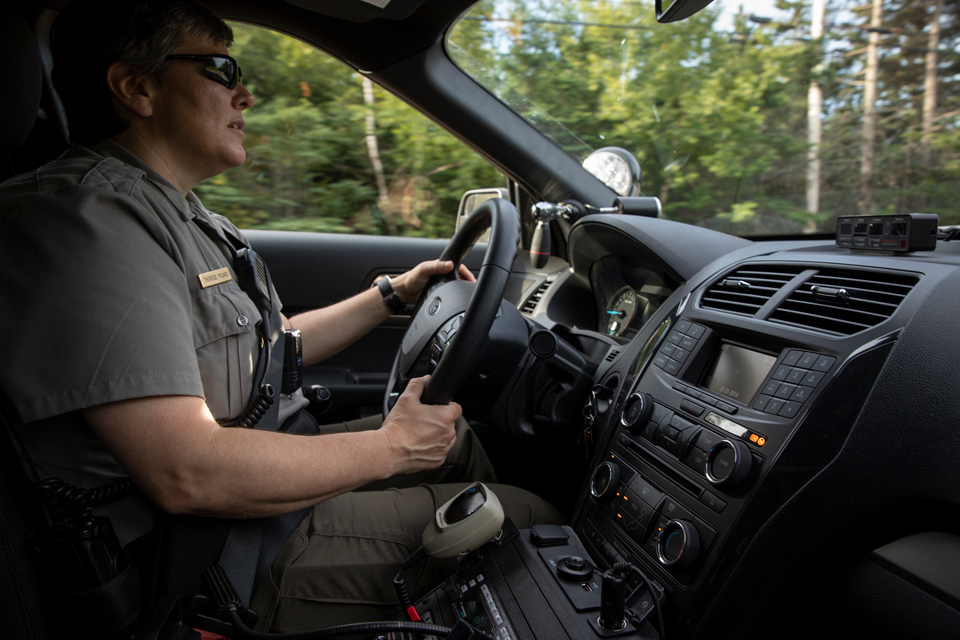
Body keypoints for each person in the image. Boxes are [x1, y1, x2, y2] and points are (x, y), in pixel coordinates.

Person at [0, 0, 563, 632]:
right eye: (220, 68)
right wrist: (390, 448)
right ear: (136, 87)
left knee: (457, 448)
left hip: (252, 480)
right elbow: (185, 470)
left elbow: (269, 349)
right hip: (203, 555)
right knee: (527, 520)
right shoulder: (88, 221)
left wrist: (393, 295)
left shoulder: (180, 213)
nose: (245, 94)